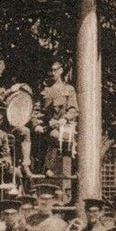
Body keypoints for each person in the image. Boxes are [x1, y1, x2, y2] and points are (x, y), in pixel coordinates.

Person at [38, 60, 78, 190]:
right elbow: (37, 110)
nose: (53, 73)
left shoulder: (69, 89)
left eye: (56, 70)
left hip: (65, 126)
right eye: (51, 70)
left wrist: (64, 119)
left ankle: (73, 180)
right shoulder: (45, 90)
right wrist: (36, 125)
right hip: (48, 126)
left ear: (61, 70)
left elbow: (73, 109)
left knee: (70, 141)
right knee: (54, 135)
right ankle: (48, 169)